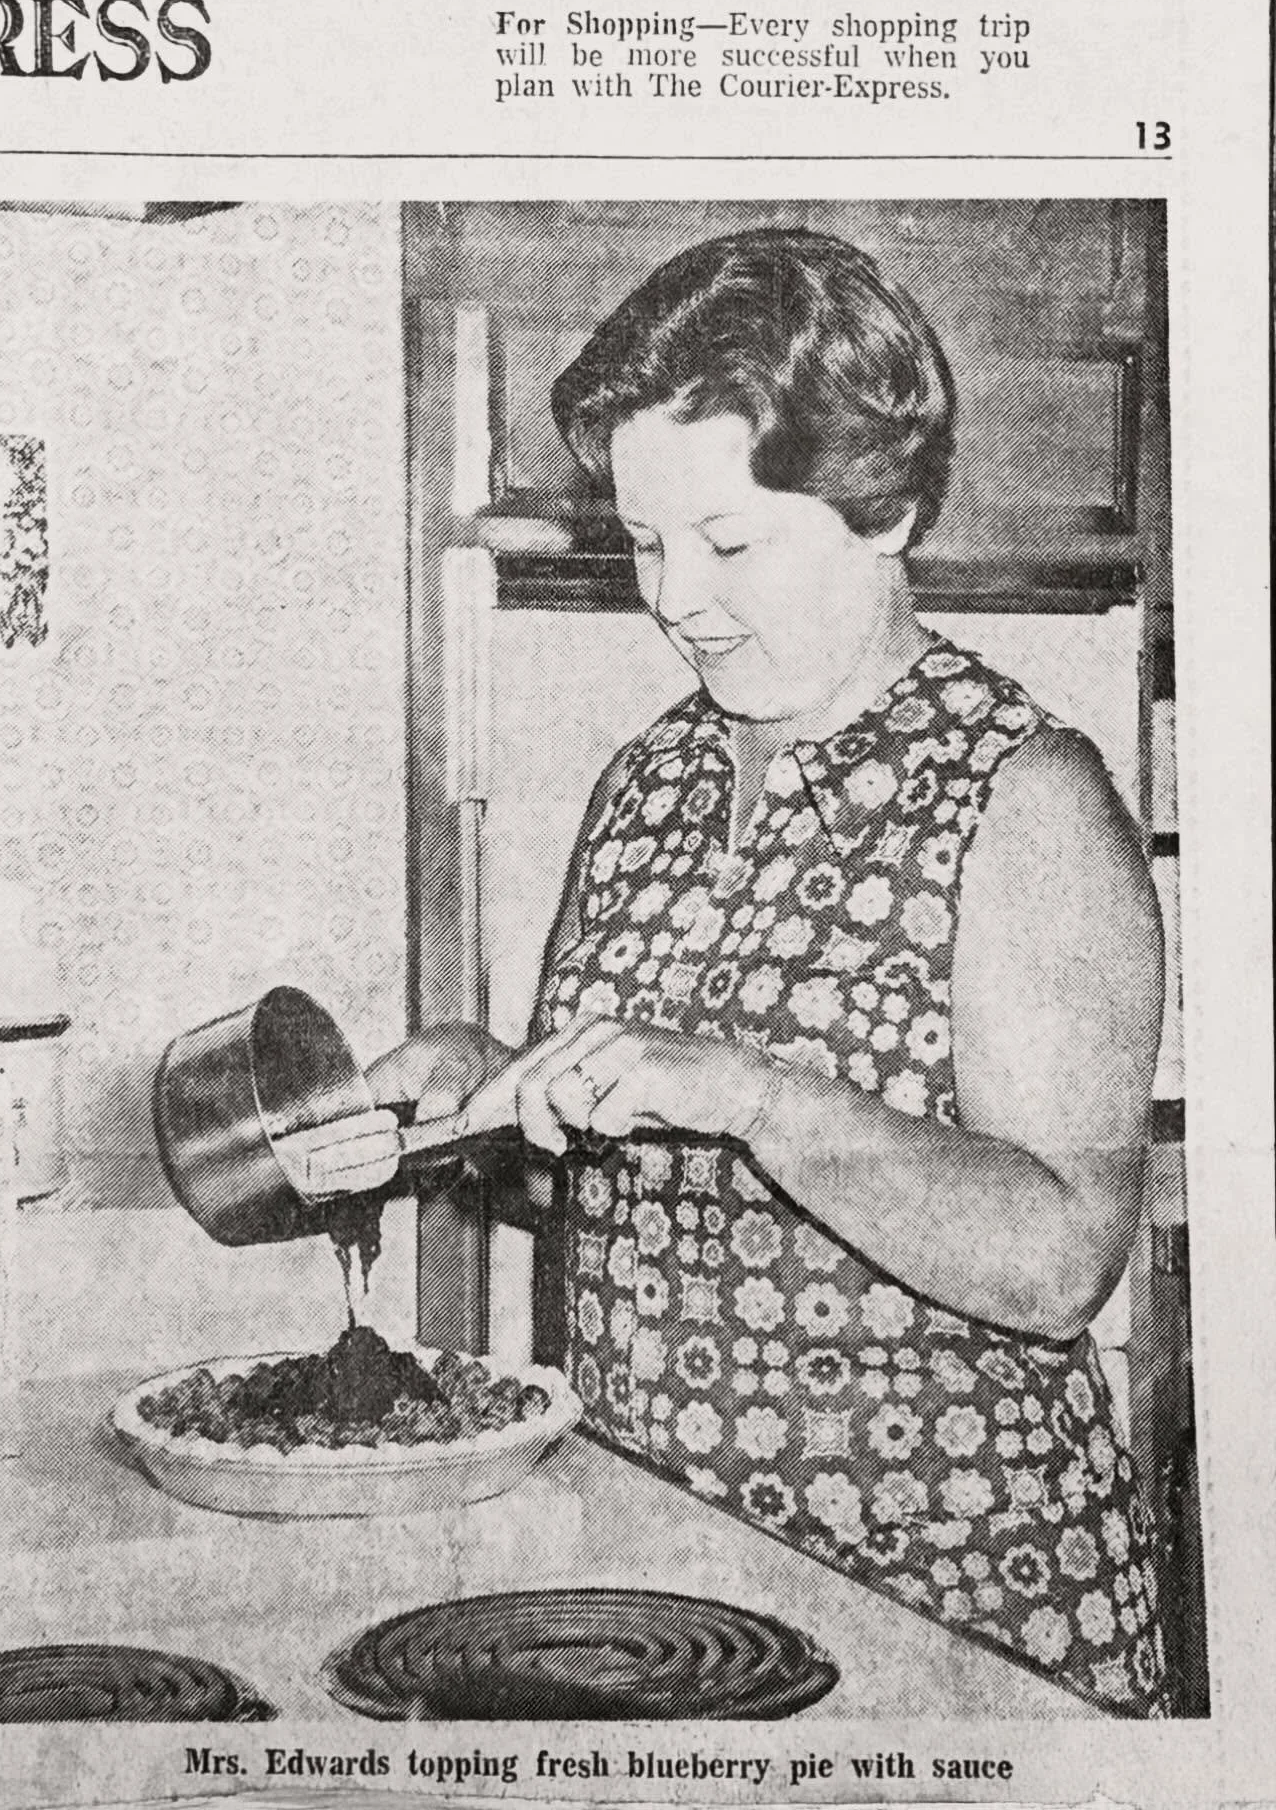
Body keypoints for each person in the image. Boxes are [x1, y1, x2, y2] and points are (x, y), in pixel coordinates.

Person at [307, 227, 1169, 1716]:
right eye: (646, 541)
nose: (675, 597)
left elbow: (1059, 1260)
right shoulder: (647, 779)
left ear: (883, 507)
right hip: (662, 1597)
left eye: (728, 541)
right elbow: (612, 1176)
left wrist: (759, 1097)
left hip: (955, 1624)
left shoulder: (1022, 794)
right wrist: (482, 1086)